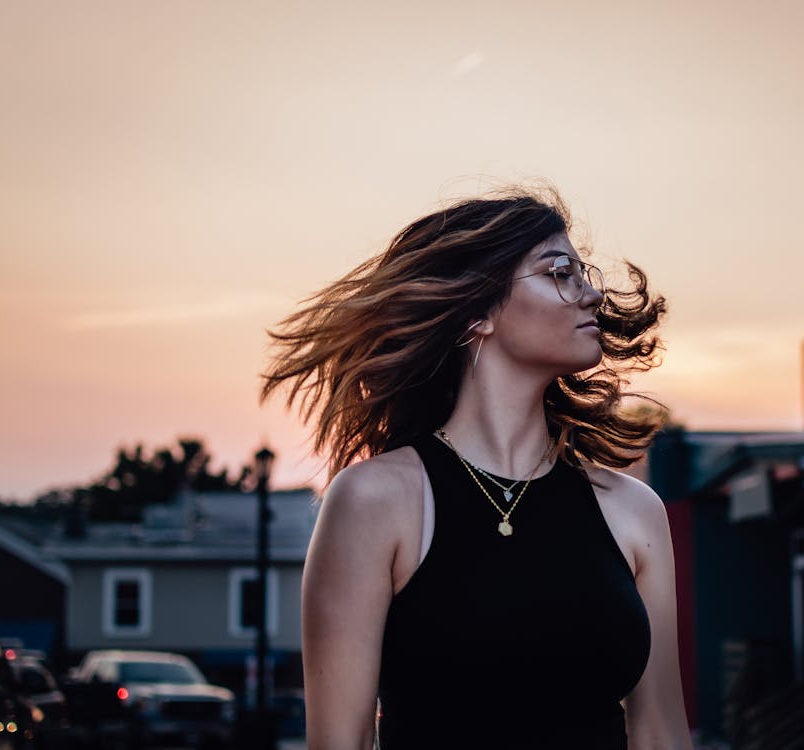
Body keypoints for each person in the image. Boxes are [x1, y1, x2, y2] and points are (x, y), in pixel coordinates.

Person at [261, 185, 691, 749]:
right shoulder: (377, 501)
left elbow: (662, 735)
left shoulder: (634, 510)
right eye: (560, 272)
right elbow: (340, 743)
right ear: (476, 317)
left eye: (584, 274)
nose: (590, 295)